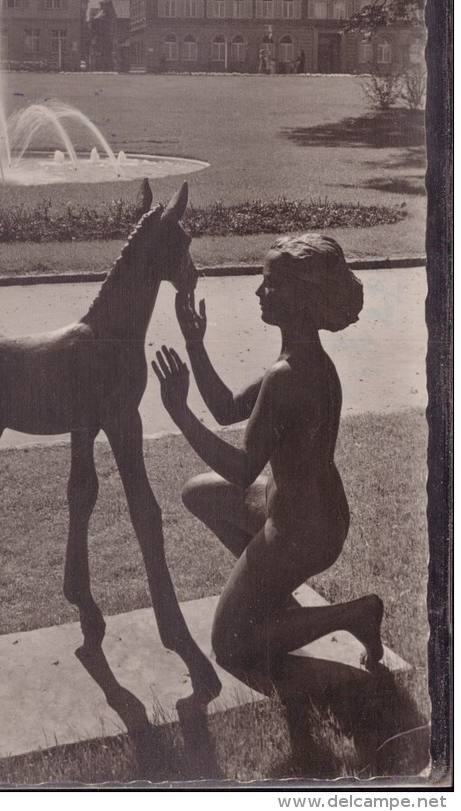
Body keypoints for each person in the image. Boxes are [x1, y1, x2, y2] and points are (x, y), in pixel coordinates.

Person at [152, 234, 384, 674]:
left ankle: (355, 614)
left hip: (303, 531)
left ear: (301, 296)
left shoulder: (289, 375)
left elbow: (242, 471)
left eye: (271, 283)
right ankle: (269, 593)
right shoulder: (300, 356)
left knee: (231, 644)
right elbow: (225, 409)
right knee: (197, 493)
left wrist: (181, 415)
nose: (259, 292)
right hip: (296, 509)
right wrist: (195, 344)